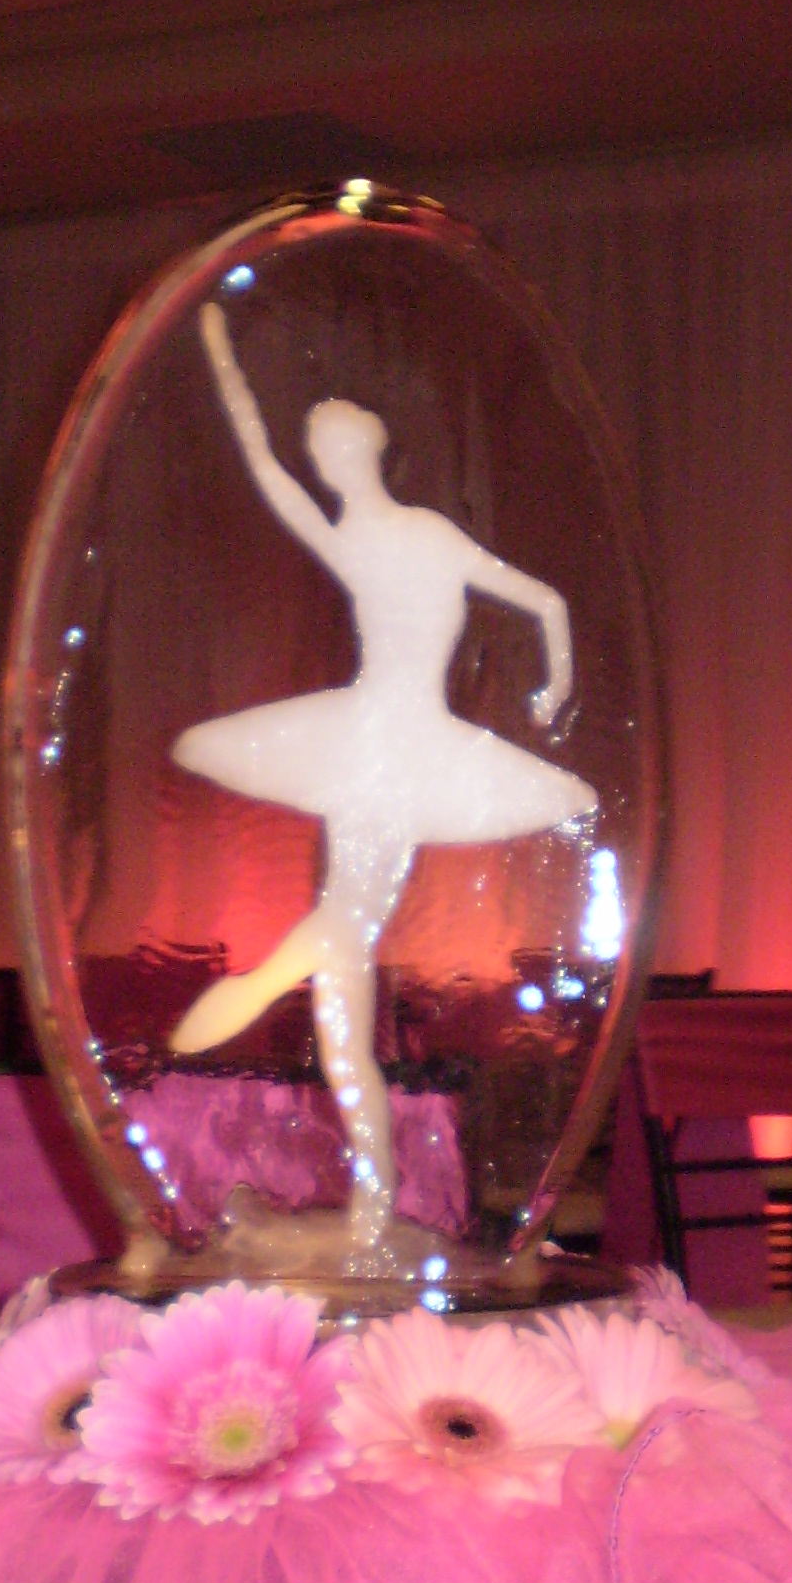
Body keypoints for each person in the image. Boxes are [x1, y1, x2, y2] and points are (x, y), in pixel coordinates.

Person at [169, 303, 597, 1241]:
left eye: (326, 453)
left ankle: (272, 1000)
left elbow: (542, 599)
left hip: (395, 745)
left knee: (345, 937)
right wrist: (553, 683)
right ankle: (369, 1202)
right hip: (376, 741)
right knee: (346, 949)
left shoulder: (389, 535)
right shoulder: (375, 535)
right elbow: (546, 604)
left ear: (348, 457)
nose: (323, 467)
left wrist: (222, 358)